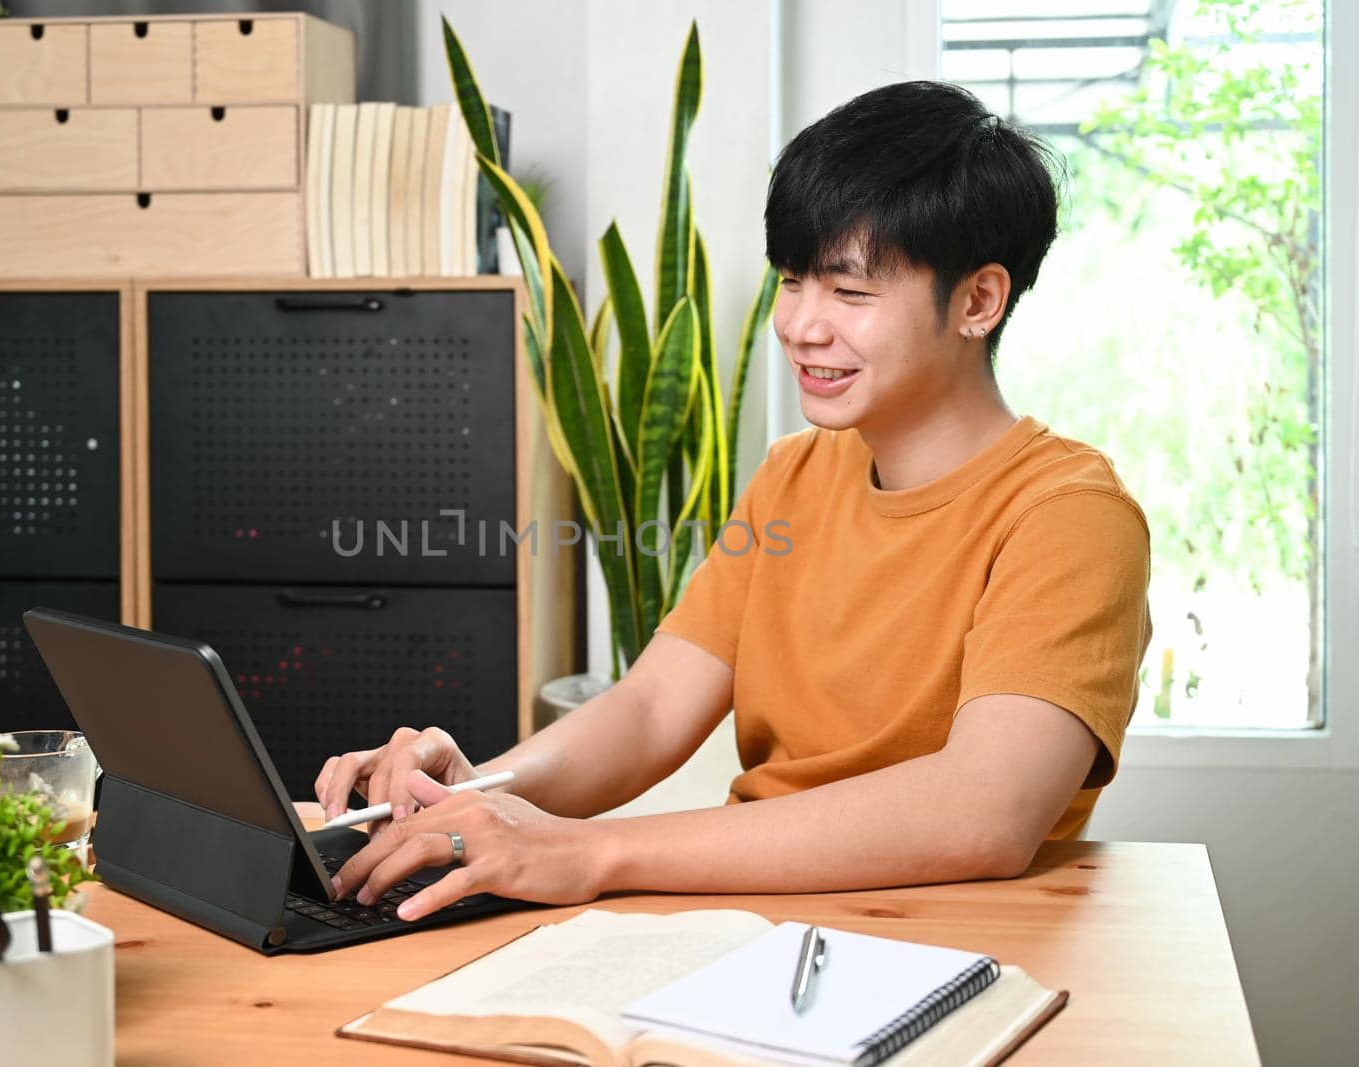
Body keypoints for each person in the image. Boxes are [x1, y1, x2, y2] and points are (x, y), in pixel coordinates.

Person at [313, 80, 1153, 923]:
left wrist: (594, 851)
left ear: (978, 300)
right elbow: (647, 711)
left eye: (850, 293)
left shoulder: (1069, 515)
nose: (801, 325)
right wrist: (482, 784)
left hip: (944, 942)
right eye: (792, 281)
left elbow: (985, 811)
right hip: (750, 924)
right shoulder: (793, 475)